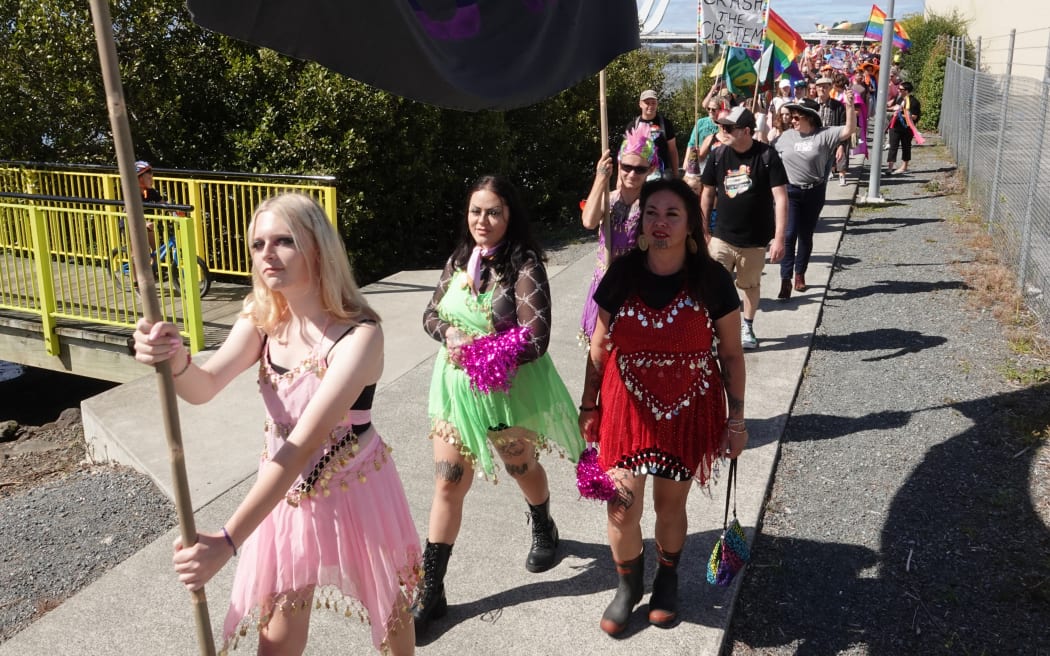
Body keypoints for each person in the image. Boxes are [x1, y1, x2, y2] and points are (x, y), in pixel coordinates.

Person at [131, 193, 420, 655]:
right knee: (277, 634)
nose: (267, 253)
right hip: (284, 497)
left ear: (317, 246)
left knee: (390, 620)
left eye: (284, 240)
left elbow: (304, 443)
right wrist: (175, 358)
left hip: (356, 488)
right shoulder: (262, 318)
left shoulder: (360, 335)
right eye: (257, 243)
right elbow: (203, 386)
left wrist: (227, 540)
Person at [416, 175, 584, 637]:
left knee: (519, 467)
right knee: (448, 480)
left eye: (492, 212)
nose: (482, 221)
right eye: (475, 212)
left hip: (507, 387)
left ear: (509, 215)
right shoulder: (459, 259)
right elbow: (430, 314)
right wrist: (449, 334)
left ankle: (543, 523)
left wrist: (479, 348)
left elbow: (535, 339)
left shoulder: (524, 264)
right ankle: (431, 589)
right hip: (455, 389)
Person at [579, 177, 748, 635]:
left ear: (690, 223)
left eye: (672, 214)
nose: (660, 223)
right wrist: (588, 405)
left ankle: (667, 579)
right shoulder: (622, 272)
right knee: (621, 505)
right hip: (624, 409)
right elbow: (598, 346)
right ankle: (628, 586)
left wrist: (736, 420)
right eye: (652, 213)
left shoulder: (711, 279)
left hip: (686, 411)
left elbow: (731, 353)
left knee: (669, 506)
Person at [699, 106, 788, 350]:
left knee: (749, 286)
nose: (722, 131)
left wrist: (779, 238)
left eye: (728, 128)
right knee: (713, 284)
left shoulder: (768, 157)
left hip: (754, 240)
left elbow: (781, 198)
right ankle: (713, 328)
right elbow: (706, 194)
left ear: (746, 131)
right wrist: (703, 229)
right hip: (721, 237)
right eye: (720, 126)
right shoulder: (718, 156)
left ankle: (747, 326)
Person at [772, 97, 857, 299]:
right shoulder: (784, 138)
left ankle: (800, 273)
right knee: (788, 234)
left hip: (814, 191)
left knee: (805, 235)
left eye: (795, 117)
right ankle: (785, 279)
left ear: (808, 118)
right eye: (790, 117)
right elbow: (768, 158)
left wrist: (850, 106)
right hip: (790, 192)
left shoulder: (824, 135)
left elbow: (849, 129)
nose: (791, 121)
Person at [579, 125, 656, 341]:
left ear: (650, 169)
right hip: (606, 283)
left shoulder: (652, 206)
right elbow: (589, 221)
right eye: (627, 167)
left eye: (640, 169)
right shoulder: (609, 199)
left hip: (637, 287)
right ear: (619, 164)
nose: (632, 173)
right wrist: (600, 178)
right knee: (599, 353)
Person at [628, 89, 679, 180]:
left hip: (662, 172)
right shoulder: (633, 126)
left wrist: (676, 175)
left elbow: (672, 150)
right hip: (640, 172)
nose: (650, 106)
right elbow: (625, 152)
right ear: (640, 104)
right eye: (647, 103)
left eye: (653, 103)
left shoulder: (665, 124)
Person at [814, 76, 848, 186]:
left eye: (824, 87)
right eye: (819, 87)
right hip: (816, 143)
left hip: (832, 141)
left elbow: (843, 126)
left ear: (830, 89)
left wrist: (841, 145)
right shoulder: (812, 105)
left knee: (838, 159)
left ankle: (841, 175)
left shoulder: (838, 106)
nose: (821, 90)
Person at [887, 81, 922, 175]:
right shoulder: (900, 99)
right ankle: (890, 167)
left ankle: (904, 166)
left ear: (906, 91)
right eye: (898, 88)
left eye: (900, 89)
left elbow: (914, 116)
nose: (898, 90)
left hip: (906, 128)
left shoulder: (914, 102)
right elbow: (896, 107)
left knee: (906, 146)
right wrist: (888, 109)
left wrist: (900, 115)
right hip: (895, 126)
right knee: (892, 146)